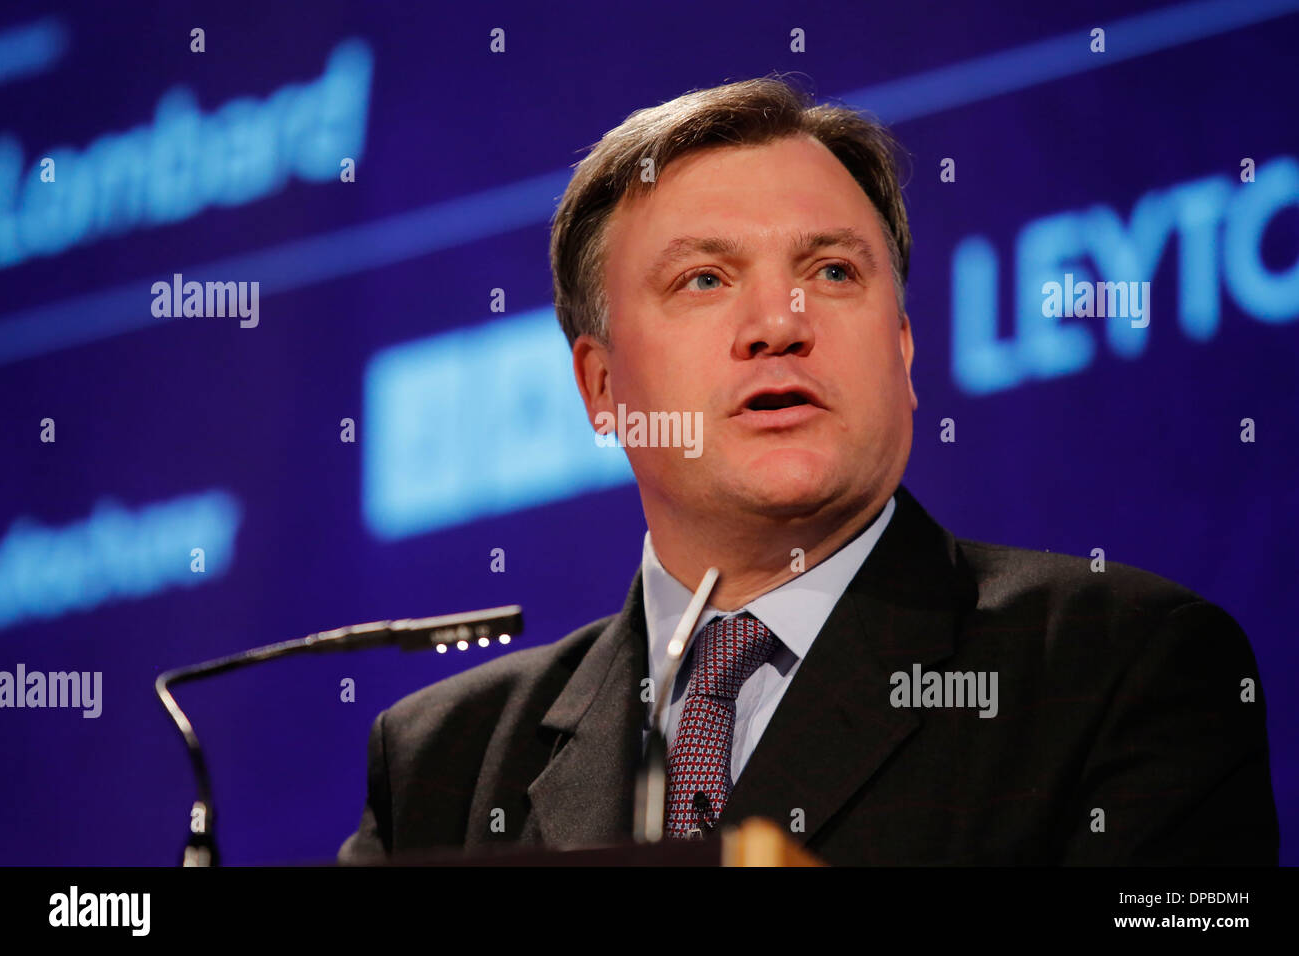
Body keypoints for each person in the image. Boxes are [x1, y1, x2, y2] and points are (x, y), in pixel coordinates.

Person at [338, 76, 1278, 865]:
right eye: (704, 279)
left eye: (832, 271)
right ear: (601, 386)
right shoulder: (444, 765)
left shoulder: (1118, 670)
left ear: (903, 354)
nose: (781, 322)